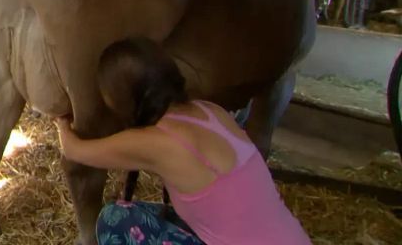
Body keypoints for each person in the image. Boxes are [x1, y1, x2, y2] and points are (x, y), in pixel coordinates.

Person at [55, 37, 312, 245]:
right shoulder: (210, 111)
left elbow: (74, 149)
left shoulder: (157, 142)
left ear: (122, 99)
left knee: (116, 219)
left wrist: (60, 120)